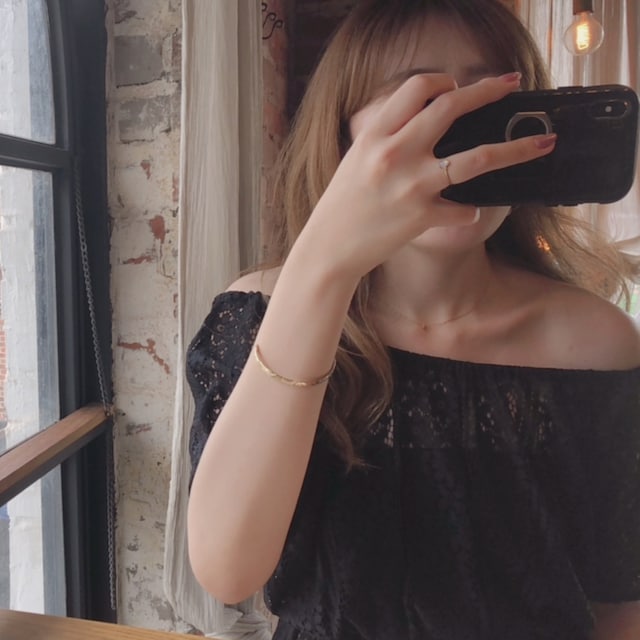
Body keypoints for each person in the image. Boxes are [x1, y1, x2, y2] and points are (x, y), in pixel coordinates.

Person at [186, 1, 640, 638]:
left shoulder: (594, 344)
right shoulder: (259, 315)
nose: (462, 141)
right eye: (422, 104)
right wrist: (322, 269)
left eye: (489, 104)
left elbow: (622, 598)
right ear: (344, 143)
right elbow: (228, 571)